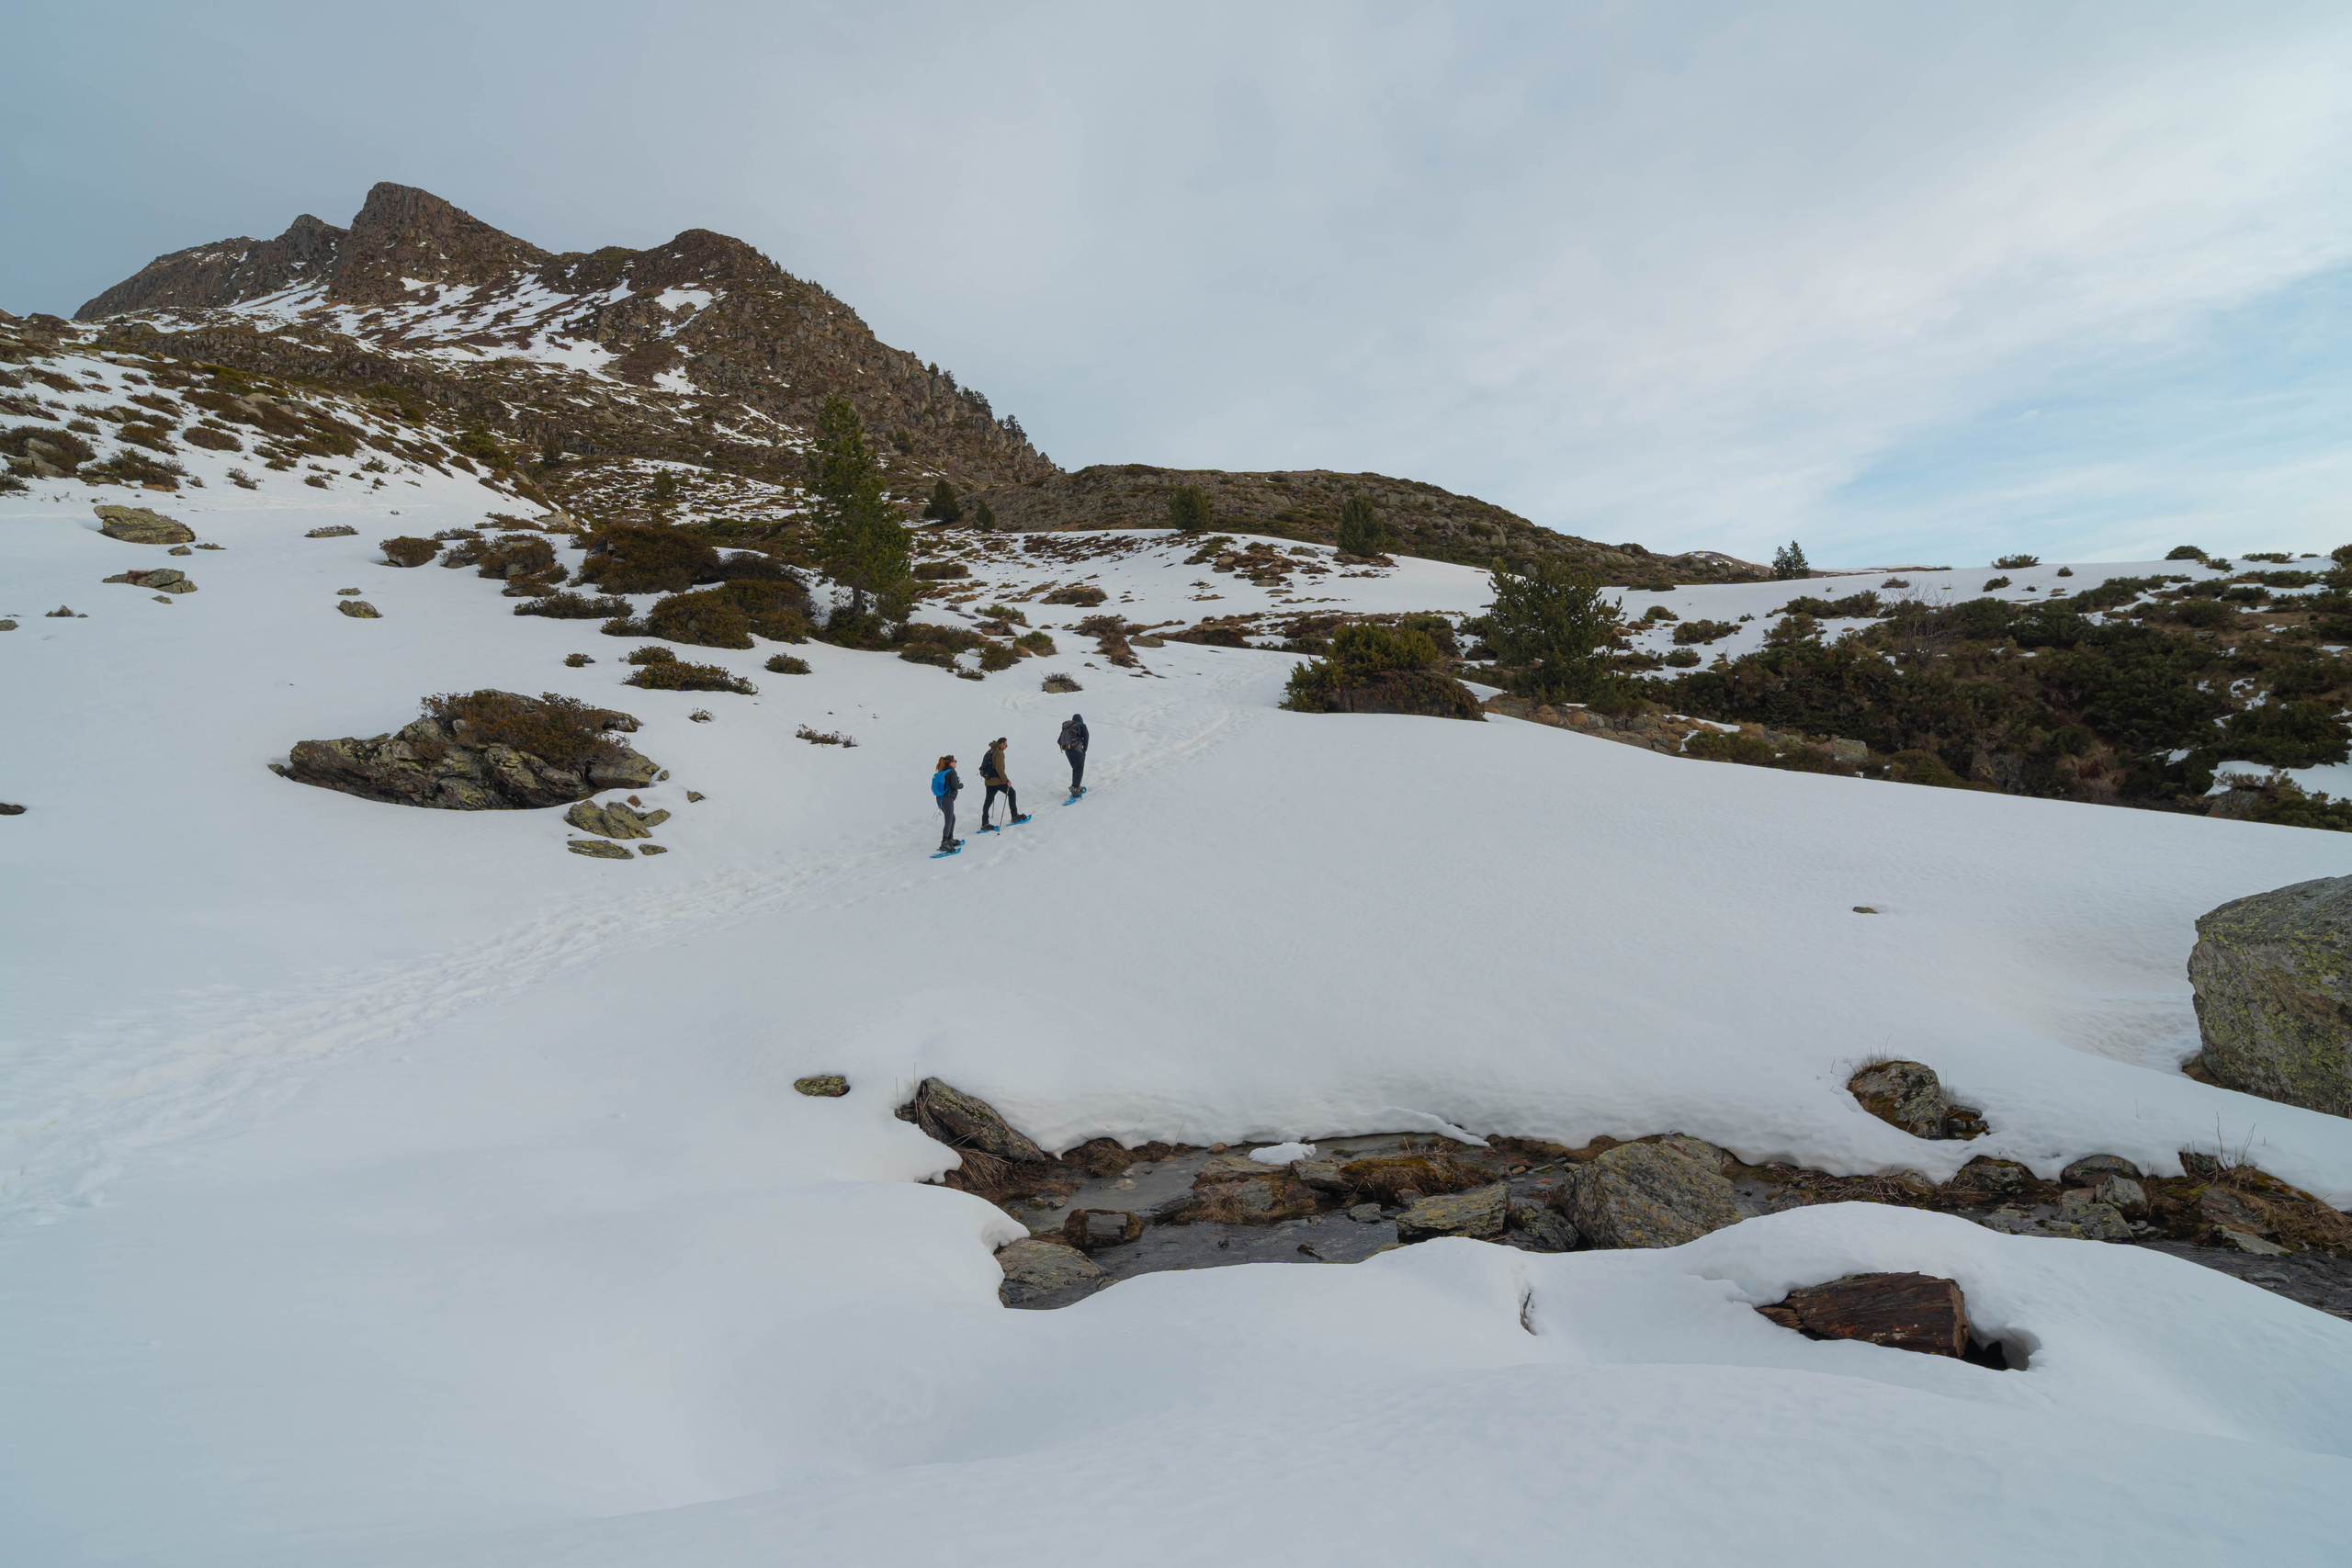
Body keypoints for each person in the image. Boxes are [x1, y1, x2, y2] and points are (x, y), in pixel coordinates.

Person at [977, 736, 1026, 829]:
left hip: (989, 781)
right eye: (1006, 745)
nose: (1006, 747)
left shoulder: (990, 751)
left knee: (988, 801)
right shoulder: (999, 753)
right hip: (998, 781)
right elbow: (999, 768)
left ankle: (984, 822)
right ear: (1002, 744)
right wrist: (1006, 780)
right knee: (1012, 793)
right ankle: (1014, 815)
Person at [931, 753, 963, 852]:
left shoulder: (943, 772)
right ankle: (944, 843)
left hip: (940, 798)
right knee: (949, 820)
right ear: (951, 763)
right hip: (947, 798)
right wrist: (961, 785)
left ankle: (950, 839)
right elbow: (955, 785)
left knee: (952, 818)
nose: (956, 762)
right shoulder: (952, 772)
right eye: (955, 761)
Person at [1057, 712, 1089, 797]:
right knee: (1080, 768)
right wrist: (1084, 750)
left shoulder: (1068, 727)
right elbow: (1086, 737)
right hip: (1077, 750)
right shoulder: (1082, 725)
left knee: (1075, 768)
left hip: (1067, 750)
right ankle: (1075, 788)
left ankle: (1075, 785)